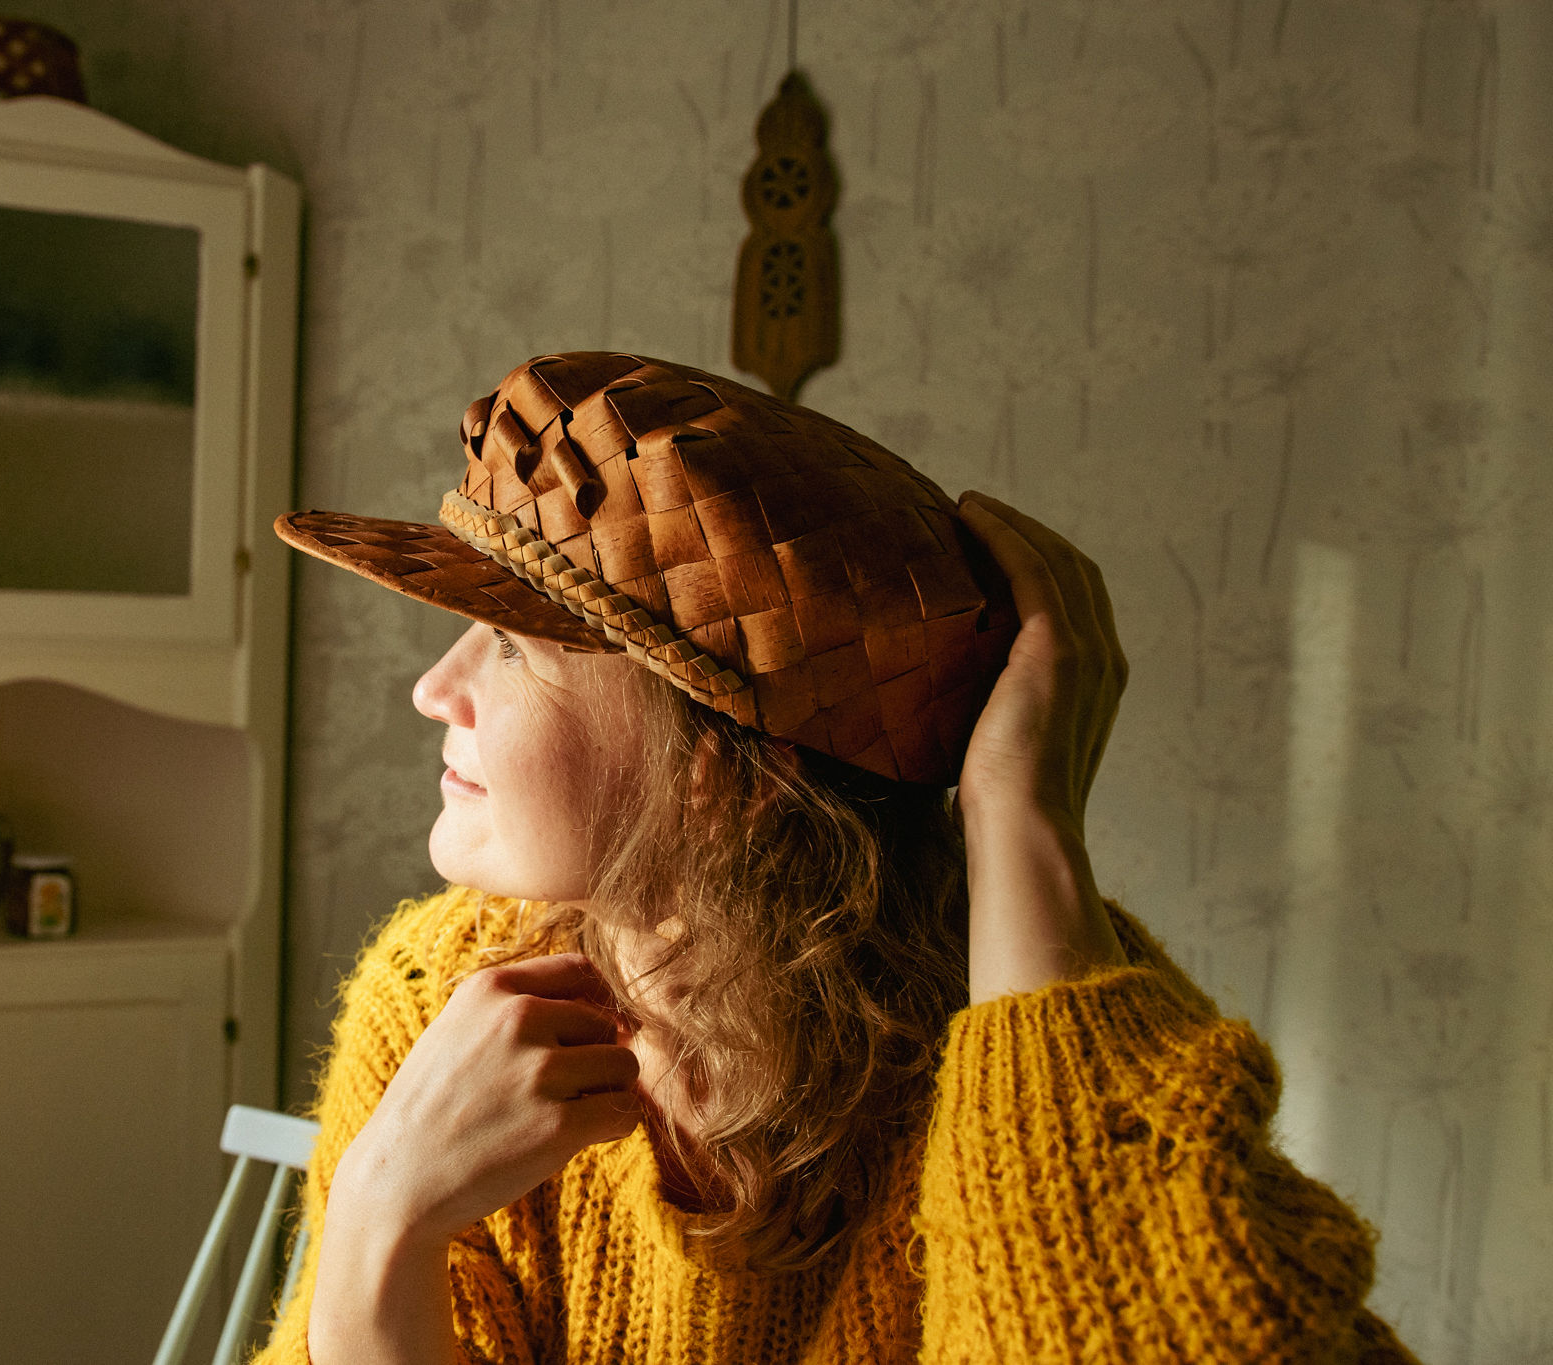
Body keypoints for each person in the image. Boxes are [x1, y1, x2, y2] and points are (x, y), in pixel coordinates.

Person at [260, 353, 1414, 1364]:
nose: (431, 690)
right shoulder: (439, 994)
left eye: (510, 646)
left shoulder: (1049, 1019)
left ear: (719, 775)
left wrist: (1021, 814)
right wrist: (377, 1216)